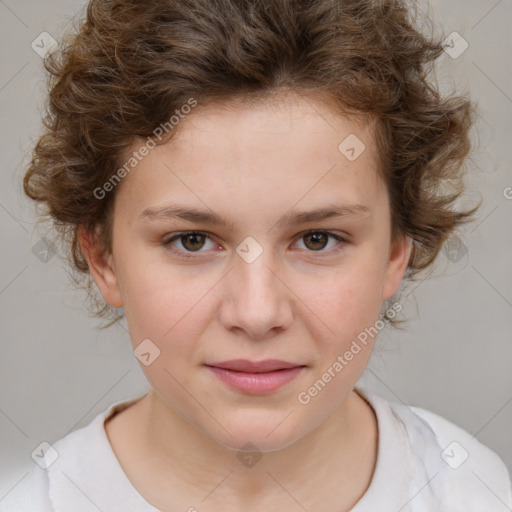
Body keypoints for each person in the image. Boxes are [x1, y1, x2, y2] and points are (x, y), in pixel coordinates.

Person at [1, 0, 511, 510]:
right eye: (192, 241)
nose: (257, 313)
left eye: (318, 239)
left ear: (397, 251)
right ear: (103, 258)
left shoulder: (474, 492)